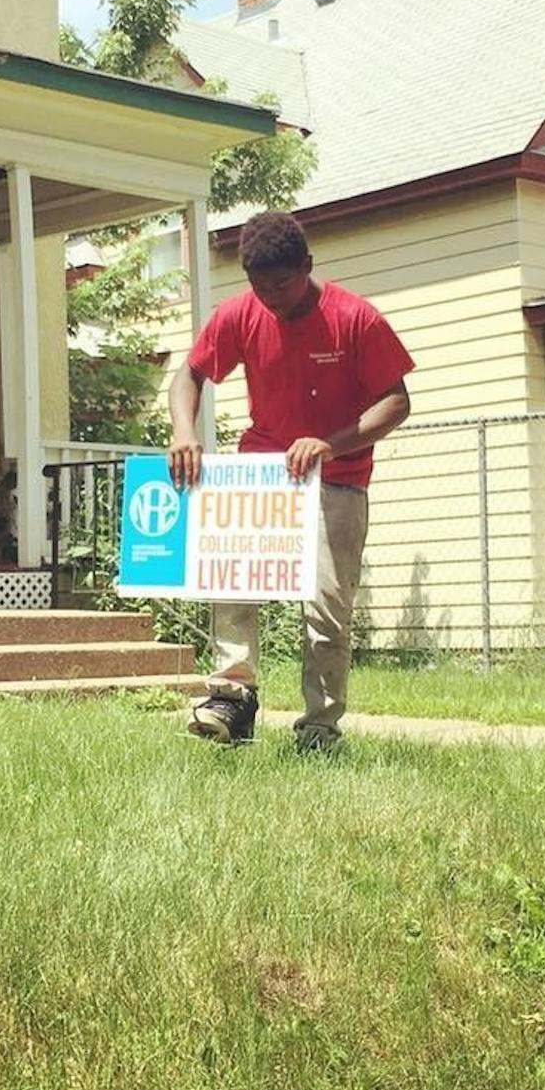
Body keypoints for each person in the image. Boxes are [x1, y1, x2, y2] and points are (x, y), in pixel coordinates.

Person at [167, 210, 414, 750]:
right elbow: (189, 374)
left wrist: (332, 443)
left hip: (338, 480)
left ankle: (320, 728)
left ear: (307, 266)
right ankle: (232, 701)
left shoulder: (354, 318)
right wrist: (185, 430)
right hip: (261, 473)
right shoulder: (239, 314)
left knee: (326, 607)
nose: (271, 297)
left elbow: (396, 401)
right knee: (232, 585)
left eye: (281, 283)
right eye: (259, 287)